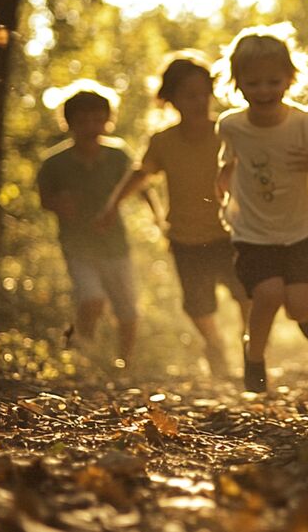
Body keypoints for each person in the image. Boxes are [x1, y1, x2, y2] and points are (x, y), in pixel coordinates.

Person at [216, 25, 308, 393]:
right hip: (252, 231)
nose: (263, 91)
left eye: (272, 81)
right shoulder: (231, 126)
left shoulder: (305, 123)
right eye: (253, 83)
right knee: (267, 293)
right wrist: (222, 192)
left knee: (296, 305)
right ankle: (255, 355)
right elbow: (228, 163)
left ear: (290, 79)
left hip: (300, 230)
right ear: (237, 83)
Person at [98, 51, 251, 378]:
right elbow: (141, 174)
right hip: (186, 238)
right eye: (189, 95)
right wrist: (112, 205)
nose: (199, 101)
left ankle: (251, 347)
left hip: (233, 233)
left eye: (204, 93)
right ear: (171, 99)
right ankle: (214, 342)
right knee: (197, 306)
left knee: (247, 294)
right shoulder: (164, 141)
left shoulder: (228, 132)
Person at [37, 83, 142, 367]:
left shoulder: (119, 154)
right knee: (92, 298)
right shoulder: (54, 163)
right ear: (68, 122)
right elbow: (45, 199)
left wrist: (159, 216)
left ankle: (125, 363)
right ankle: (84, 349)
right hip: (78, 246)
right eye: (82, 121)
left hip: (115, 244)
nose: (91, 127)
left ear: (108, 120)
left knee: (128, 311)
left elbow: (140, 184)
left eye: (98, 119)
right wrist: (60, 204)